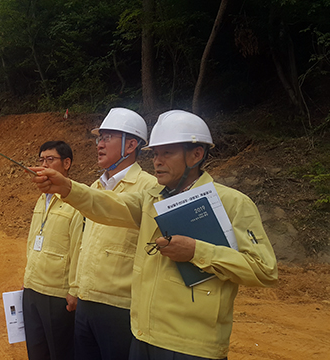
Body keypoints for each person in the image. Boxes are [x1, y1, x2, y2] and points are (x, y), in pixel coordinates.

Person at [30, 110, 278, 360]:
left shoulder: (232, 203)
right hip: (143, 337)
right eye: (156, 154)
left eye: (167, 153)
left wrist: (198, 252)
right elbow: (109, 205)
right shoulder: (151, 199)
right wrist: (68, 188)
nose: (157, 161)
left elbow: (264, 270)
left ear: (196, 154)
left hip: (192, 346)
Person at [72, 108, 157, 360]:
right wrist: (76, 288)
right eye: (100, 138)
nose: (99, 144)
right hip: (86, 300)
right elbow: (83, 242)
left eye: (108, 137)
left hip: (121, 307)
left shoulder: (149, 187)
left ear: (131, 145)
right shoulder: (95, 187)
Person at [23, 140, 84, 360]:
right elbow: (33, 240)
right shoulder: (42, 198)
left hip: (57, 295)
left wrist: (74, 289)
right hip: (32, 288)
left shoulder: (76, 201)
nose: (44, 164)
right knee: (37, 351)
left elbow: (79, 247)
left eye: (50, 159)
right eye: (41, 159)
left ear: (66, 163)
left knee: (60, 352)